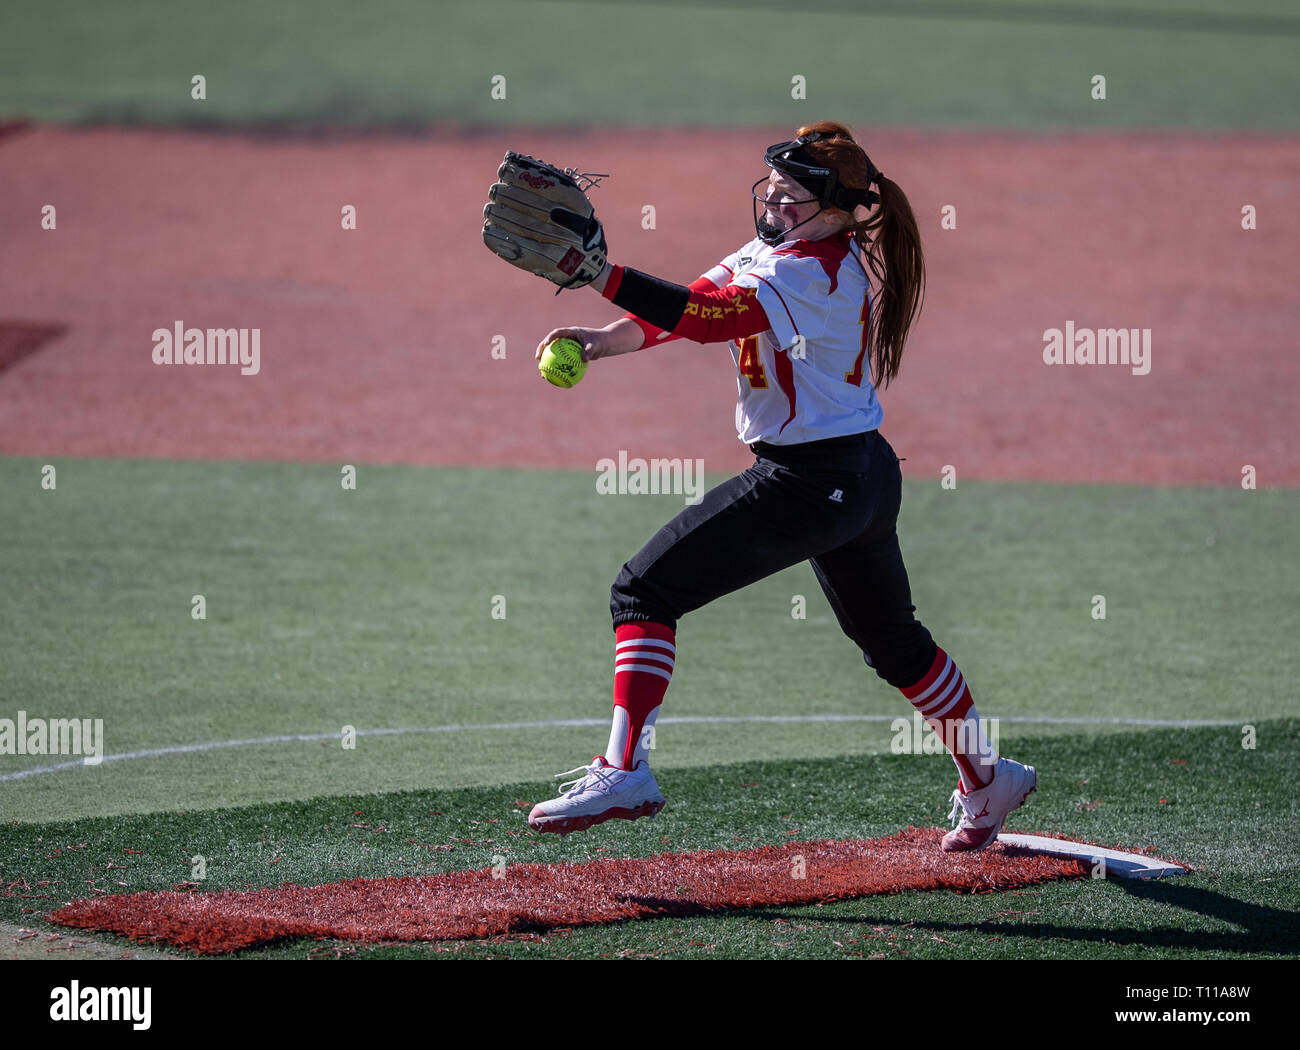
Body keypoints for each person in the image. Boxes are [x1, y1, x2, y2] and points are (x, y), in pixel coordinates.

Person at [526, 121, 1035, 852]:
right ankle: (987, 780)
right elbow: (692, 302)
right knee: (894, 644)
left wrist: (600, 271)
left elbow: (708, 321)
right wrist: (601, 340)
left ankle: (623, 769)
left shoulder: (815, 272)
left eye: (792, 194)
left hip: (810, 481)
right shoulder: (780, 249)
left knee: (644, 591)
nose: (773, 200)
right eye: (772, 186)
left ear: (836, 210)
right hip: (860, 473)